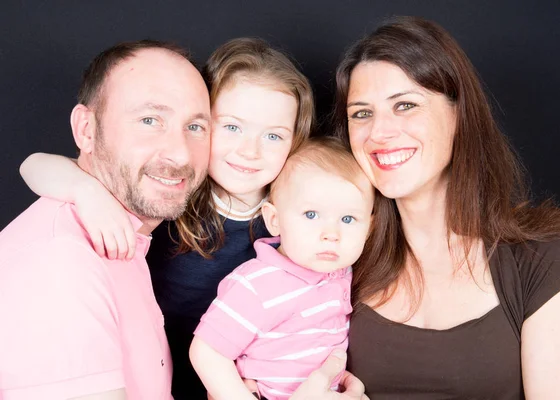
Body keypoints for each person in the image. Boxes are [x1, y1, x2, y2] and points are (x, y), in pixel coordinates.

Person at [18, 38, 367, 400]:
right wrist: (85, 192)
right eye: (232, 127)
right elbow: (33, 165)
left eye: (273, 135)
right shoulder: (172, 192)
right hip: (162, 377)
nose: (250, 150)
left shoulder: (297, 214)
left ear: (295, 140)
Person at [332, 16, 560, 399]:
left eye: (405, 105)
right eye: (362, 113)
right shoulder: (335, 256)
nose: (378, 132)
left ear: (459, 114)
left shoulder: (544, 258)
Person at [0, 40, 212, 399]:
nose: (179, 152)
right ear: (86, 130)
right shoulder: (60, 262)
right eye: (150, 120)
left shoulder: (122, 238)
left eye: (195, 127)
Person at [190, 137, 374, 400]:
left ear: (370, 228)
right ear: (274, 220)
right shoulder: (257, 284)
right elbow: (207, 351)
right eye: (311, 214)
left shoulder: (342, 272)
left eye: (348, 219)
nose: (331, 234)